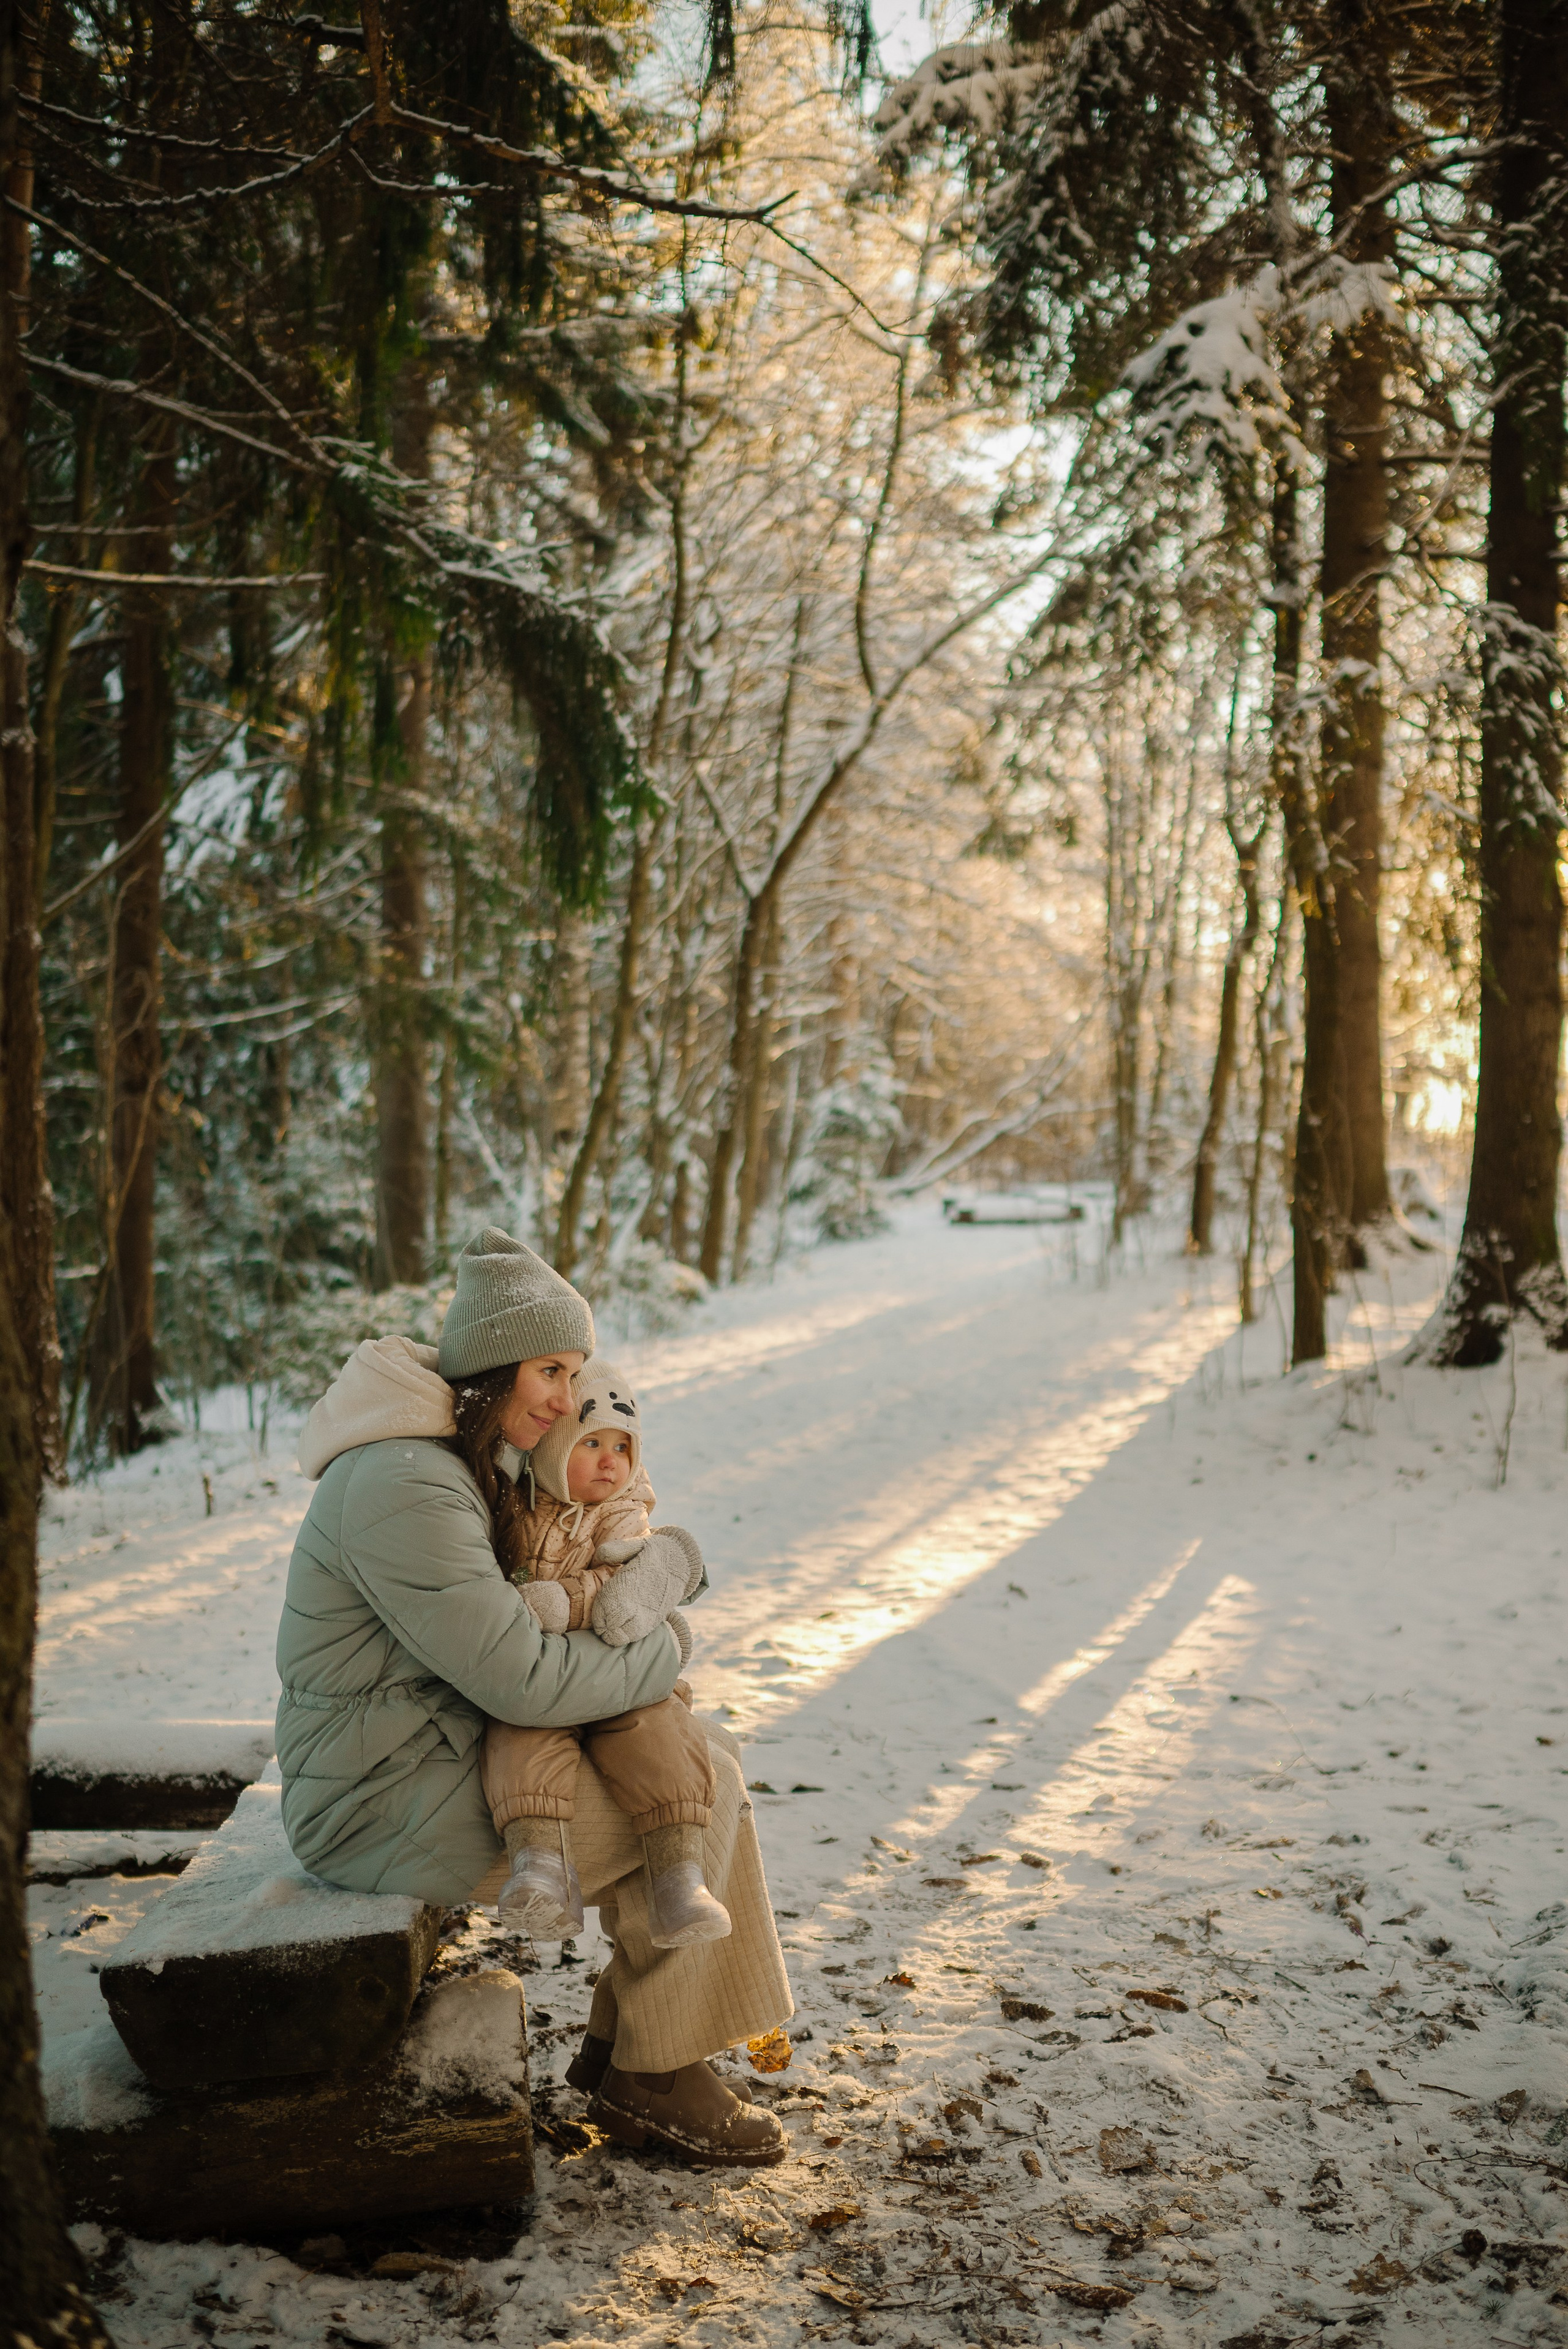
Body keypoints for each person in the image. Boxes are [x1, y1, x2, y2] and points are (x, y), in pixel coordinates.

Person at [278, 1224, 792, 2167]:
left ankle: (635, 2049)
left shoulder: (454, 1458)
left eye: (575, 1372)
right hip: (375, 1798)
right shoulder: (403, 1483)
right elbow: (519, 1674)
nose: (566, 1400)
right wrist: (662, 1650)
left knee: (699, 1754)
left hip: (431, 1751)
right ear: (493, 1370)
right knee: (702, 1782)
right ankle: (652, 2069)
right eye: (549, 1372)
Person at [488, 1355, 733, 1951]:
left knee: (659, 1735)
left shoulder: (622, 1515)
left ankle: (679, 1877)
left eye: (622, 1447)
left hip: (616, 1674)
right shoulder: (512, 1509)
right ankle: (541, 1868)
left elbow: (621, 1597)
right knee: (518, 1742)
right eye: (591, 1441)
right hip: (543, 1682)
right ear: (550, 1449)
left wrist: (563, 1601)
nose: (609, 1461)